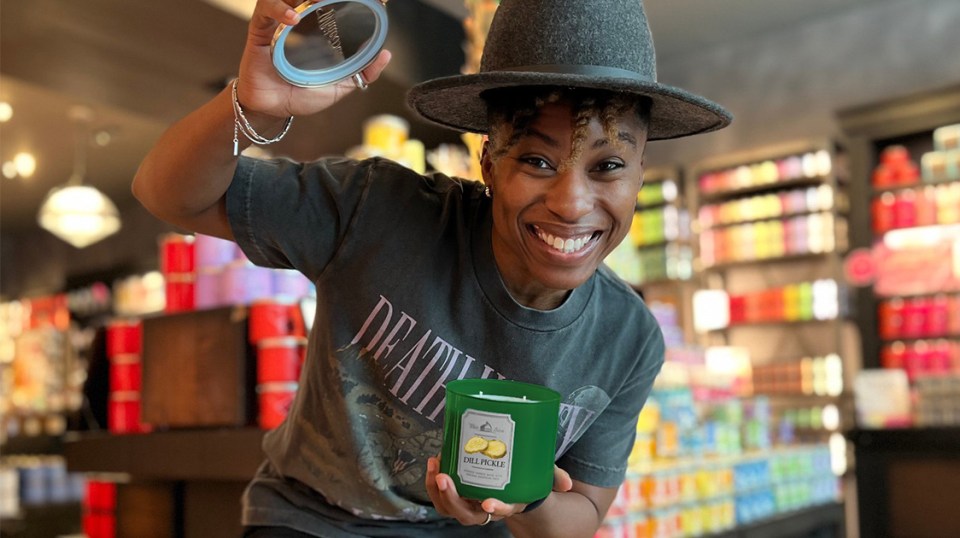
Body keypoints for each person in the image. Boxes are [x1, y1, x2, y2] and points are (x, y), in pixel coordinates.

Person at [132, 0, 731, 535]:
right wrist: (250, 108)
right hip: (313, 521)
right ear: (489, 164)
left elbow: (584, 514)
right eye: (537, 161)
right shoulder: (377, 211)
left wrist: (514, 502)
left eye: (607, 167)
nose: (572, 203)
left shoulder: (627, 338)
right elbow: (166, 193)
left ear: (639, 178)